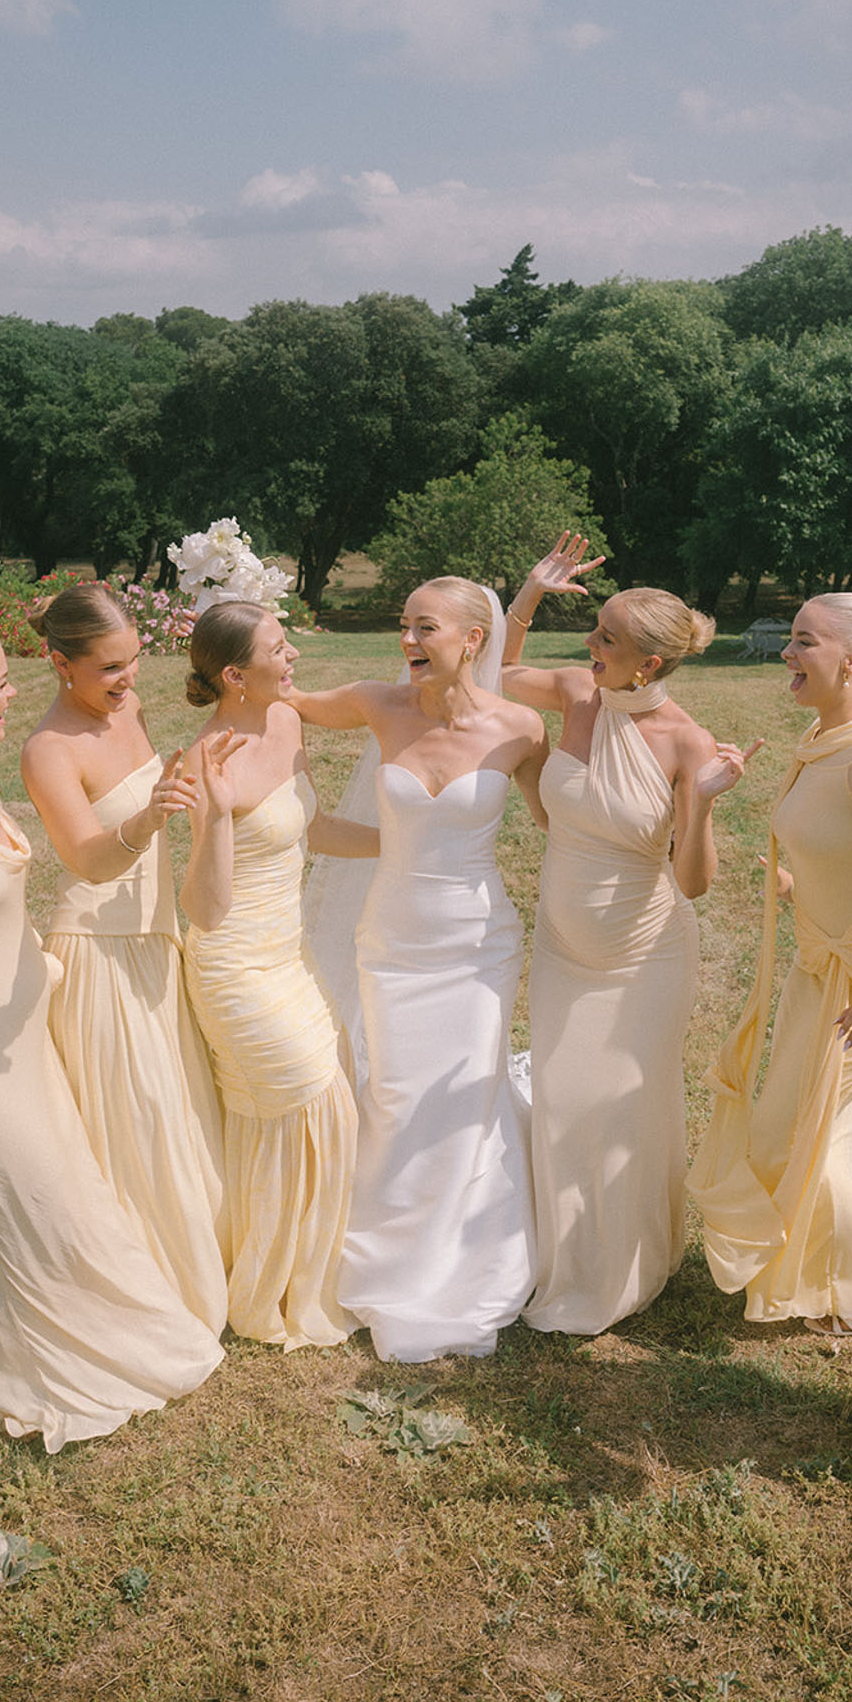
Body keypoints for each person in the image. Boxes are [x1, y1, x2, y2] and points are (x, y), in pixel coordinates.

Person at [0, 604, 223, 1448]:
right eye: (0, 684)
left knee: (56, 1206)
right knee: (26, 1211)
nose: (15, 695)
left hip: (20, 1042)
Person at [501, 534, 762, 1335]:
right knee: (561, 1095)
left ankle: (623, 1265)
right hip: (561, 942)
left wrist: (704, 800)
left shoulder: (685, 741)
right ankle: (563, 1252)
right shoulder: (580, 695)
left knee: (619, 1106)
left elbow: (692, 880)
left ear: (648, 665)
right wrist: (529, 596)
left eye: (606, 638)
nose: (590, 646)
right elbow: (494, 679)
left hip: (641, 954)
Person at [292, 577, 548, 1362]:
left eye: (424, 627)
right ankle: (392, 1253)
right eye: (404, 625)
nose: (407, 639)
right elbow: (283, 701)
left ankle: (469, 1255)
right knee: (398, 1093)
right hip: (393, 940)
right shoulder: (378, 703)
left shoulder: (521, 728)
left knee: (464, 1095)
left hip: (477, 945)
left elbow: (561, 817)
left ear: (474, 640)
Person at [688, 592, 852, 1334]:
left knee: (793, 1132)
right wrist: (802, 884)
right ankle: (842, 1282)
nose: (786, 654)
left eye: (803, 642)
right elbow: (840, 841)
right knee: (822, 1131)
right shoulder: (823, 733)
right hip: (819, 968)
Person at [21, 584, 228, 1336]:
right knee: (136, 1125)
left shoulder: (129, 713)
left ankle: (196, 1263)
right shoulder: (48, 750)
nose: (127, 681)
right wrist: (147, 817)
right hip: (99, 955)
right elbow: (84, 858)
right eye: (109, 668)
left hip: (156, 940)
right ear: (58, 663)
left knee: (177, 1111)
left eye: (133, 661)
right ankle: (144, 1295)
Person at [180, 601, 377, 1350]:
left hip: (287, 955)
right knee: (307, 1099)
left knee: (335, 1102)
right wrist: (221, 819)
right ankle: (263, 1291)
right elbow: (203, 906)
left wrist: (402, 845)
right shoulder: (207, 760)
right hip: (232, 963)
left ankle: (305, 1272)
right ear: (235, 675)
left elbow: (310, 825)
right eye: (277, 647)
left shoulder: (287, 722)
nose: (292, 655)